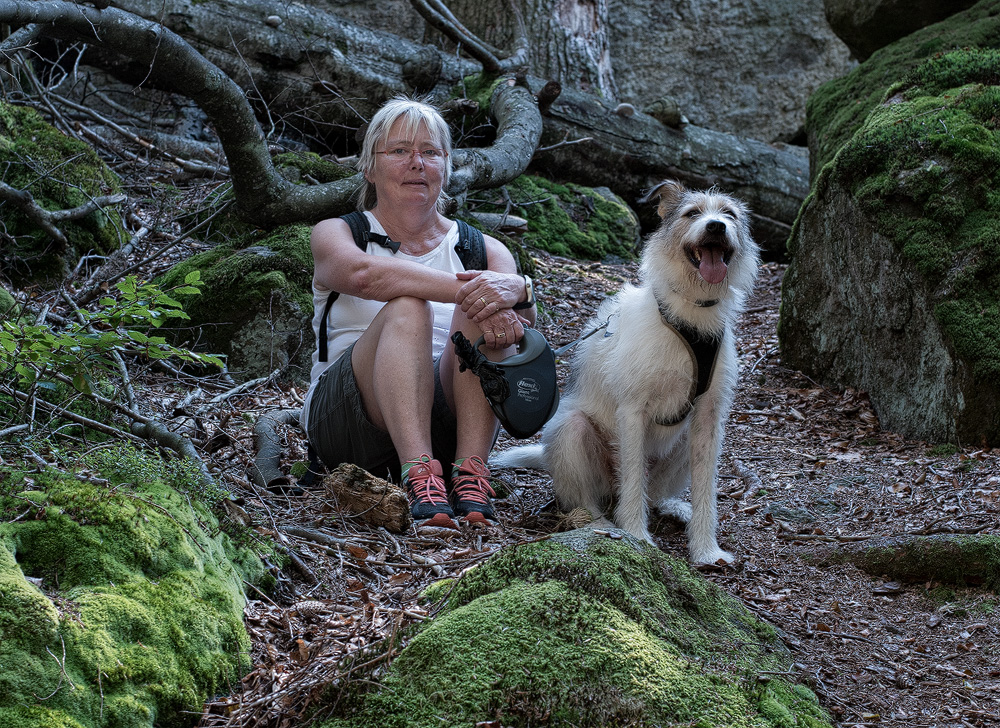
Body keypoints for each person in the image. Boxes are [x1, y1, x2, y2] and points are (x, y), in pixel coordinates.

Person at [299, 96, 536, 530]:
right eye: (399, 151)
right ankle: (419, 475)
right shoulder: (338, 233)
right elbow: (367, 277)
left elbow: (519, 333)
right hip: (349, 421)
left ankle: (470, 475)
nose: (417, 163)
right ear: (369, 167)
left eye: (430, 152)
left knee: (480, 314)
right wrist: (489, 290)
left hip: (454, 415)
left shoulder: (485, 250)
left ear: (446, 166)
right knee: (410, 304)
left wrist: (522, 291)